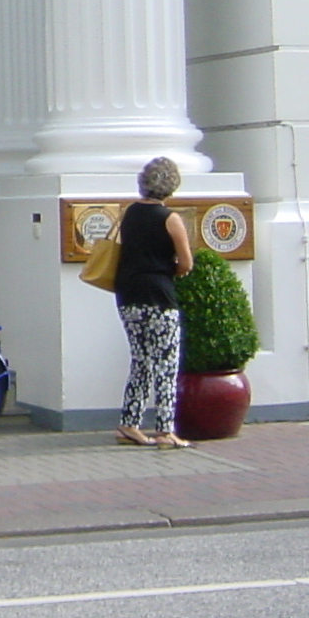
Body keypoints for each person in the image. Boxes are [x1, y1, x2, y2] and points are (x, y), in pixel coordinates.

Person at [114, 156, 196, 449]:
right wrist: (169, 269)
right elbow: (186, 263)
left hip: (128, 296)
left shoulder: (130, 214)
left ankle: (129, 423)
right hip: (159, 297)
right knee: (166, 365)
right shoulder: (170, 219)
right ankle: (165, 430)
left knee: (140, 361)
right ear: (171, 186)